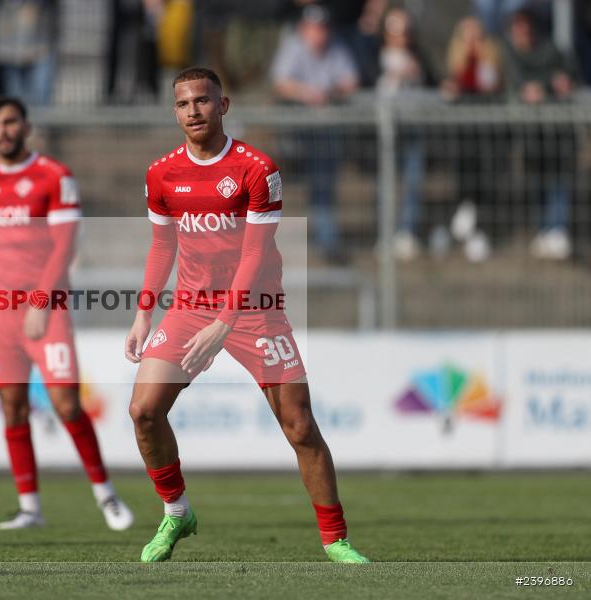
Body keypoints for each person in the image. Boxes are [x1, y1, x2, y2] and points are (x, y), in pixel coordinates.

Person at [123, 66, 369, 563]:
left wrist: (226, 322)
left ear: (223, 105)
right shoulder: (161, 173)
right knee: (143, 411)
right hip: (191, 309)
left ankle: (335, 539)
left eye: (203, 101)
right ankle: (176, 513)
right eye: (184, 103)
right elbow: (161, 247)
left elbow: (256, 253)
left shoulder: (257, 168)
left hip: (256, 311)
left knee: (299, 425)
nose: (193, 111)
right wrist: (143, 314)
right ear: (175, 111)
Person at [0, 96, 133, 531]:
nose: (3, 130)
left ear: (26, 125)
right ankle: (30, 507)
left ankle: (105, 494)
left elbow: (65, 244)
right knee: (12, 407)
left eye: (10, 121)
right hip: (0, 315)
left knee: (66, 403)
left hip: (46, 310)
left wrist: (39, 301)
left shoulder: (54, 177)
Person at [271, 4, 358, 263]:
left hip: (324, 132)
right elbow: (281, 83)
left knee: (323, 183)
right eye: (313, 28)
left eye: (322, 28)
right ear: (303, 28)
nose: (318, 34)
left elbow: (350, 81)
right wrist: (307, 93)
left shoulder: (336, 47)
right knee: (278, 187)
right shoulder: (293, 46)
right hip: (293, 133)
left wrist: (329, 93)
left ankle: (326, 240)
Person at [505, 9, 577, 260]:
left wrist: (549, 85)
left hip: (558, 133)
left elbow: (566, 78)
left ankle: (557, 229)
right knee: (538, 183)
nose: (522, 33)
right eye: (518, 27)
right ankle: (544, 230)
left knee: (559, 181)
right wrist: (545, 84)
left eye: (526, 27)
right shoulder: (509, 53)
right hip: (531, 135)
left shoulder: (551, 49)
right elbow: (518, 83)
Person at [441, 16, 507, 262]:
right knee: (465, 176)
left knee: (485, 180)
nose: (472, 42)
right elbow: (451, 87)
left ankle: (479, 230)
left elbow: (489, 84)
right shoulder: (453, 63)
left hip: (488, 133)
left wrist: (477, 60)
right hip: (463, 134)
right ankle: (466, 220)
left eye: (477, 37)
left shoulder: (491, 61)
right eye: (467, 37)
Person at [377, 8, 436, 261]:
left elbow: (434, 85)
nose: (402, 36)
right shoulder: (375, 56)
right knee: (386, 185)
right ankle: (385, 233)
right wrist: (394, 77)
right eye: (396, 30)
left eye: (406, 31)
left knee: (413, 181)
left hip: (413, 128)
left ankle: (407, 232)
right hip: (386, 132)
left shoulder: (419, 57)